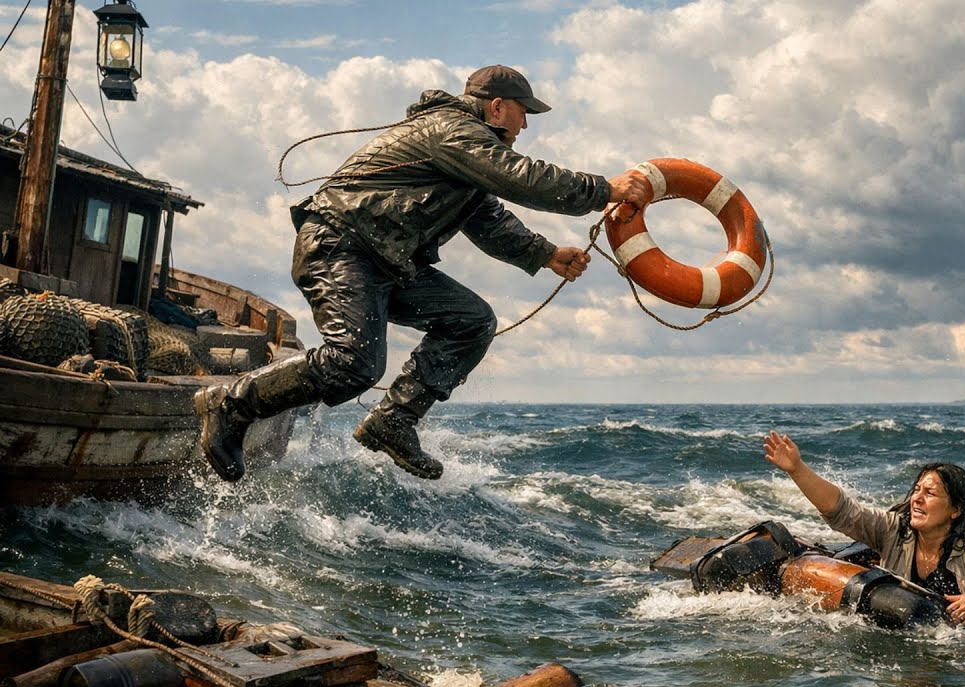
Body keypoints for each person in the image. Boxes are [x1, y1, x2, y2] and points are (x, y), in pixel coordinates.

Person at [196, 64, 648, 483]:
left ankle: (394, 419)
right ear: (496, 106)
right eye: (523, 112)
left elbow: (487, 219)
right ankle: (230, 404)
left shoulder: (467, 148)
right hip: (340, 244)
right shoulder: (453, 130)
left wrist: (544, 254)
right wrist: (604, 189)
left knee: (471, 321)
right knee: (353, 364)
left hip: (385, 259)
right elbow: (521, 177)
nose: (525, 125)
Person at [762, 431, 965, 625]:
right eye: (916, 490)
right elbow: (842, 510)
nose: (917, 498)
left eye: (930, 493)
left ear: (955, 510)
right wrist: (797, 469)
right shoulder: (893, 530)